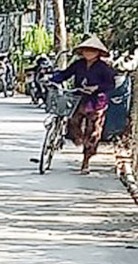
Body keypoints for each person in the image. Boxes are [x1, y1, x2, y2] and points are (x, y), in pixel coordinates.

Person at [51, 36, 118, 174]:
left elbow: (110, 84)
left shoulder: (104, 68)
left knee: (93, 131)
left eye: (92, 51)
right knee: (72, 120)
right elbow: (65, 74)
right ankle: (77, 139)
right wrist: (51, 79)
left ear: (98, 53)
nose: (88, 53)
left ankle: (86, 160)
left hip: (97, 101)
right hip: (80, 98)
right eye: (86, 50)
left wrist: (97, 88)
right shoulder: (78, 64)